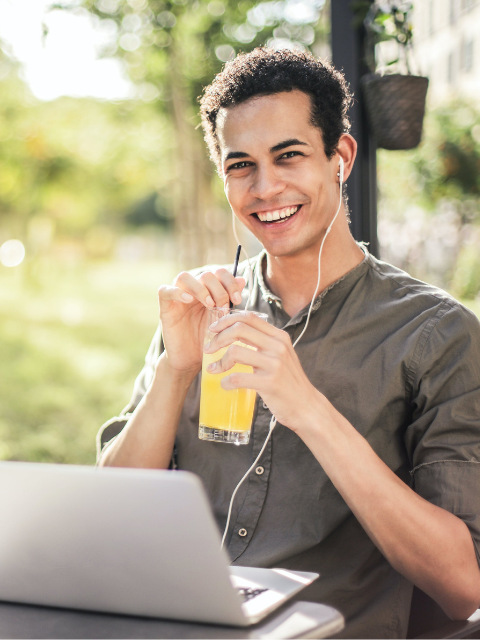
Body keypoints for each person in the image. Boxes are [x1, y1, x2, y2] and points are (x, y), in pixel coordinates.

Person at [96, 48, 480, 638]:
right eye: (240, 165)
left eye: (289, 155)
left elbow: (463, 587)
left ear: (340, 158)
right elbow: (109, 514)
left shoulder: (437, 335)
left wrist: (306, 407)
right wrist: (177, 370)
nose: (265, 187)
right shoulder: (202, 312)